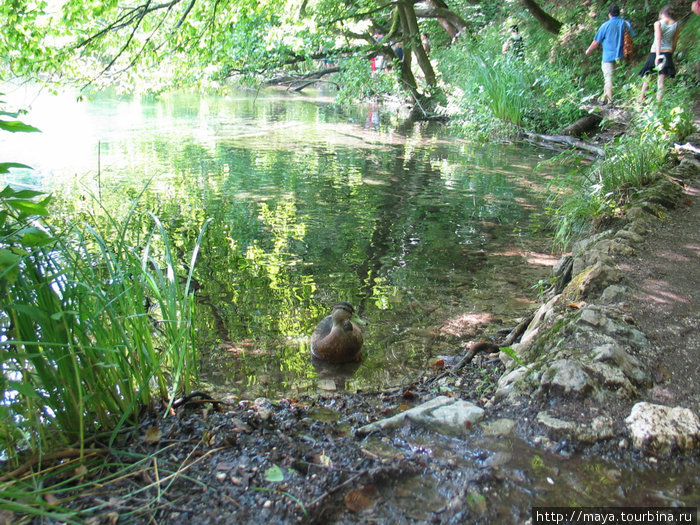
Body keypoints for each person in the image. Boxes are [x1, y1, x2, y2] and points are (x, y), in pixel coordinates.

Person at [585, 4, 635, 105]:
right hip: (621, 56)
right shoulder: (625, 23)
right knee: (612, 78)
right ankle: (604, 98)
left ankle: (610, 102)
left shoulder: (605, 25)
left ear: (609, 14)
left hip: (608, 57)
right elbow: (632, 36)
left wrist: (589, 50)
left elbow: (596, 42)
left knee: (608, 79)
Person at [638, 5, 680, 102]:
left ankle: (641, 101)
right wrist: (670, 54)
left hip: (655, 53)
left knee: (648, 78)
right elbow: (675, 42)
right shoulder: (676, 25)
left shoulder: (658, 23)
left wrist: (657, 55)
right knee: (661, 82)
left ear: (662, 14)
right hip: (668, 53)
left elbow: (658, 38)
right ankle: (658, 104)